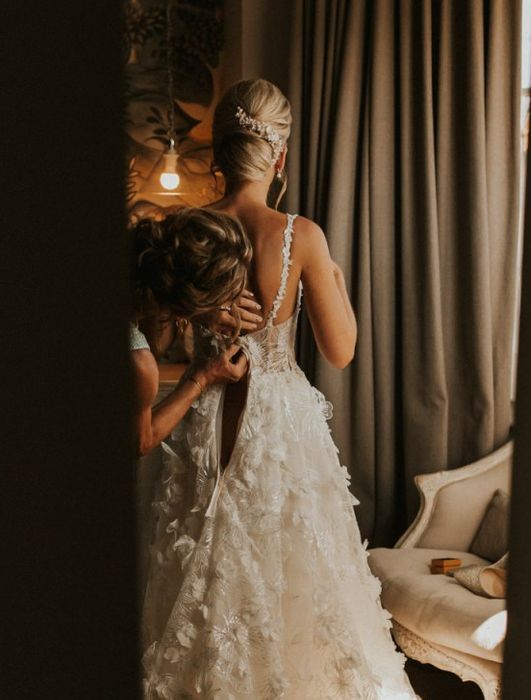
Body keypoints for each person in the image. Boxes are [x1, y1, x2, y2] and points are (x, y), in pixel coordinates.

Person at [141, 81, 417, 699]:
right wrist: (334, 277)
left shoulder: (189, 232)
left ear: (219, 153)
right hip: (279, 423)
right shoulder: (301, 237)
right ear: (280, 158)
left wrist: (206, 321)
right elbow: (340, 351)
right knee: (289, 566)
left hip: (206, 412)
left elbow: (157, 337)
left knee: (206, 568)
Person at [131, 207, 262, 457]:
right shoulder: (139, 362)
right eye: (221, 303)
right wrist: (204, 377)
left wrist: (196, 310)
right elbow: (140, 442)